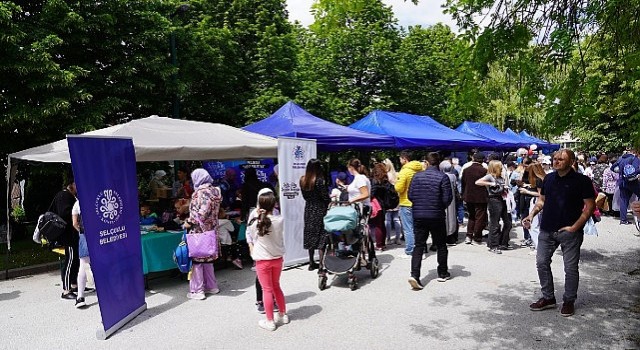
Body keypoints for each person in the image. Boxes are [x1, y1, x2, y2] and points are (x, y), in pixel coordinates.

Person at [522, 149, 595, 317]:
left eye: (561, 159)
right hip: (547, 229)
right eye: (555, 159)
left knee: (570, 268)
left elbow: (590, 206)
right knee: (541, 262)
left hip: (570, 232)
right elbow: (542, 200)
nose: (556, 162)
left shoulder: (581, 181)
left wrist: (575, 227)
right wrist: (531, 215)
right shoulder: (548, 178)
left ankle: (569, 300)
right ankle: (548, 298)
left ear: (571, 162)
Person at [407, 152, 453, 290]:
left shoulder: (416, 176)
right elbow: (447, 199)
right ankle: (442, 272)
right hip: (436, 215)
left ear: (426, 162)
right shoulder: (442, 177)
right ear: (438, 163)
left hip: (419, 215)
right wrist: (438, 206)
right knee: (441, 245)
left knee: (419, 245)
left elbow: (410, 195)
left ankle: (415, 275)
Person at [247, 191, 289, 331]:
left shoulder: (257, 222)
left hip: (262, 260)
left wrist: (257, 216)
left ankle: (269, 321)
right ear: (274, 204)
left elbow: (252, 235)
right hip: (277, 258)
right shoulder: (280, 220)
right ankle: (282, 314)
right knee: (276, 285)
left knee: (267, 289)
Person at [183, 169, 222, 300]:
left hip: (199, 231)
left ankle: (197, 290)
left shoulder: (200, 193)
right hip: (212, 231)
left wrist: (189, 222)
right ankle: (212, 286)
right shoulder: (215, 191)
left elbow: (202, 213)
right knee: (208, 259)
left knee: (197, 261)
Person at [50, 178, 79, 300]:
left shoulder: (70, 196)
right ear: (70, 184)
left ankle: (74, 284)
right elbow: (64, 213)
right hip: (68, 236)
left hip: (72, 235)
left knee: (76, 260)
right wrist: (76, 213)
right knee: (70, 260)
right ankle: (66, 290)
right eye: (76, 184)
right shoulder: (63, 195)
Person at [300, 159, 331, 271]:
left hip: (308, 209)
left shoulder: (303, 180)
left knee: (310, 234)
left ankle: (311, 262)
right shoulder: (320, 181)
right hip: (320, 209)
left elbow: (304, 196)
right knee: (321, 236)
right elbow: (325, 197)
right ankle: (322, 264)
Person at [475, 160, 512, 254]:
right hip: (494, 200)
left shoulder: (500, 176)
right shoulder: (490, 176)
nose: (501, 168)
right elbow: (478, 182)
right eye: (499, 166)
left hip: (502, 199)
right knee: (495, 224)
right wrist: (491, 184)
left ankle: (503, 242)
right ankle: (493, 245)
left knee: (508, 223)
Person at [395, 150, 423, 258]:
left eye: (400, 158)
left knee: (408, 229)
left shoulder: (404, 171)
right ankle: (421, 249)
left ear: (404, 159)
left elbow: (399, 188)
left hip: (406, 202)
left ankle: (410, 251)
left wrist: (395, 183)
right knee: (419, 228)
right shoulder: (420, 169)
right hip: (419, 202)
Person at [71, 200, 95, 308]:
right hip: (100, 234)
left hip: (85, 234)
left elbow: (75, 223)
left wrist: (81, 232)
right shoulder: (96, 197)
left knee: (83, 265)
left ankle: (80, 296)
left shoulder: (78, 203)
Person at [461, 152, 488, 245]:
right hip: (481, 197)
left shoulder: (466, 170)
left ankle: (469, 235)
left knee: (471, 216)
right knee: (480, 217)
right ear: (483, 160)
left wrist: (463, 195)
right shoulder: (484, 171)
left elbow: (463, 183)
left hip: (469, 196)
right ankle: (477, 237)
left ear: (473, 159)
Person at [610, 147, 640, 224]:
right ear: (634, 152)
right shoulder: (634, 159)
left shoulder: (621, 159)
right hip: (632, 182)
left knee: (623, 200)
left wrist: (620, 171)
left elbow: (612, 168)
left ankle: (623, 220)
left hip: (622, 182)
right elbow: (637, 169)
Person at [439, 160, 460, 245]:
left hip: (444, 200)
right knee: (453, 217)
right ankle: (453, 237)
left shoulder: (442, 176)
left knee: (445, 218)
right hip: (453, 200)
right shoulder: (453, 176)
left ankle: (446, 237)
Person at [370, 163, 390, 250]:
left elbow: (372, 193)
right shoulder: (385, 181)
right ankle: (382, 243)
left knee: (377, 225)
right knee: (381, 224)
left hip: (376, 204)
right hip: (384, 204)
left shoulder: (374, 180)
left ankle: (378, 245)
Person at [382, 159, 402, 244]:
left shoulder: (385, 175)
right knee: (397, 219)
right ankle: (398, 238)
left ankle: (388, 238)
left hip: (387, 200)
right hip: (396, 199)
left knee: (387, 220)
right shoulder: (396, 174)